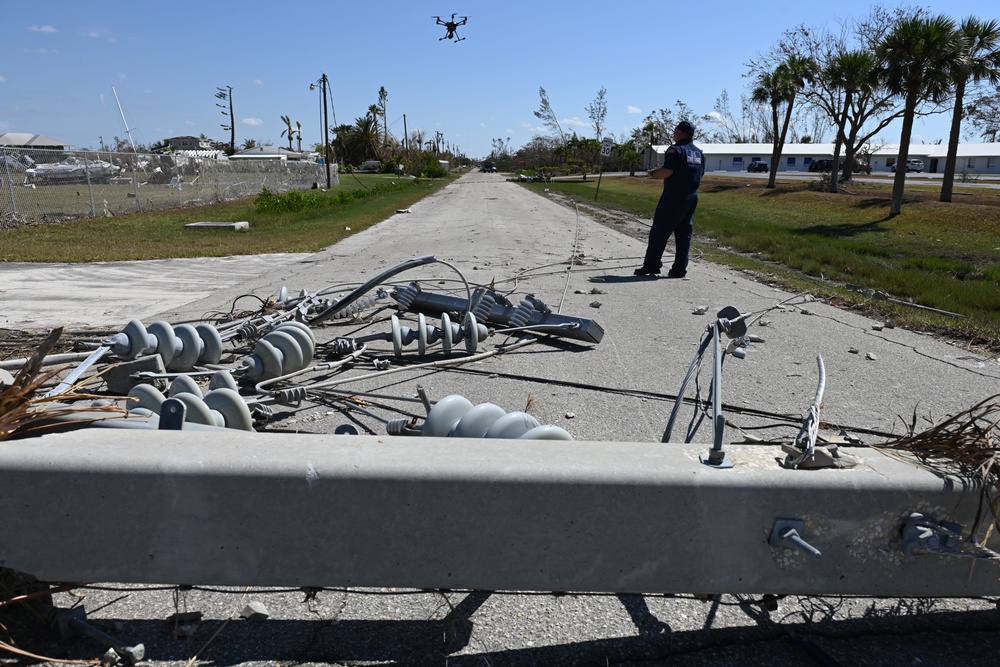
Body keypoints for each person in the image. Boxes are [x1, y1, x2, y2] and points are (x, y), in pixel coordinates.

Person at [635, 120, 704, 278]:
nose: (673, 134)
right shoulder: (699, 153)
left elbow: (667, 171)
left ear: (680, 133)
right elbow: (700, 174)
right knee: (683, 235)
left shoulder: (675, 150)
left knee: (659, 232)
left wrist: (652, 173)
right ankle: (679, 269)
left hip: (673, 198)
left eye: (675, 131)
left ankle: (651, 266)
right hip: (691, 198)